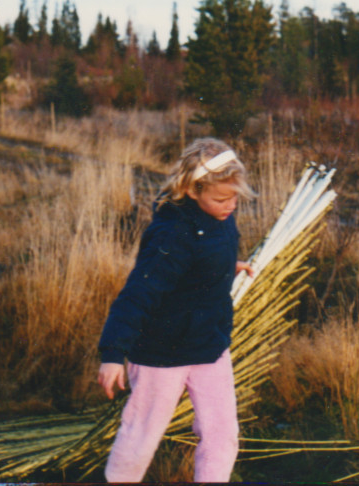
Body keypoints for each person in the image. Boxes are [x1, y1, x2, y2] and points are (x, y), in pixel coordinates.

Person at [97, 137, 255, 482]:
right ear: (193, 190)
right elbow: (138, 293)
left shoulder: (222, 216)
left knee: (223, 435)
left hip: (209, 347)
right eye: (220, 198)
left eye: (234, 197)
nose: (230, 205)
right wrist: (112, 354)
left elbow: (206, 254)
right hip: (160, 354)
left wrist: (228, 267)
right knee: (141, 435)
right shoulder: (171, 235)